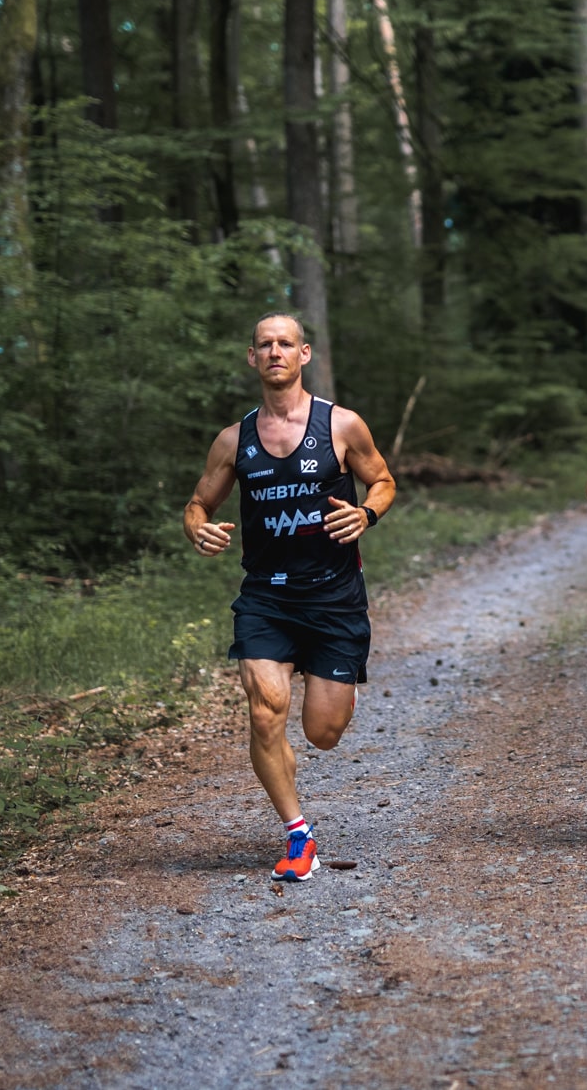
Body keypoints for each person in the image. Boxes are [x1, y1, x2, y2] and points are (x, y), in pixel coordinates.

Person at [184, 313, 396, 882]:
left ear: (304, 354)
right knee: (263, 711)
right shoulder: (235, 439)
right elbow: (198, 502)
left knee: (322, 734)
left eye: (286, 343)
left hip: (334, 598)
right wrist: (197, 526)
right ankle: (298, 835)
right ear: (251, 358)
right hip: (267, 598)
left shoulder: (342, 426)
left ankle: (329, 694)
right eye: (264, 345)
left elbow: (383, 479)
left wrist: (367, 512)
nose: (275, 351)